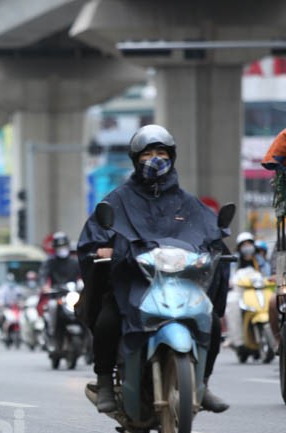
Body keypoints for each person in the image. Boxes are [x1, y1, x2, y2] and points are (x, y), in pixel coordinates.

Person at [77, 124, 230, 414]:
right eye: (148, 153)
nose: (155, 159)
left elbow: (210, 233)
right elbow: (93, 236)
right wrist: (101, 249)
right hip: (132, 282)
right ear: (136, 159)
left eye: (161, 152)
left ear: (172, 156)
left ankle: (203, 383)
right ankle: (104, 382)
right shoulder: (117, 199)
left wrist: (218, 251)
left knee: (210, 321)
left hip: (181, 282)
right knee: (108, 318)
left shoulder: (188, 202)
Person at [38, 232, 81, 349]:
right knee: (52, 306)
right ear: (55, 248)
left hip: (72, 296)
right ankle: (51, 334)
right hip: (56, 295)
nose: (62, 249)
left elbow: (84, 276)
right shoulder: (50, 262)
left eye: (64, 246)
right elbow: (43, 275)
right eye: (59, 247)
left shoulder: (75, 262)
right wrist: (44, 286)